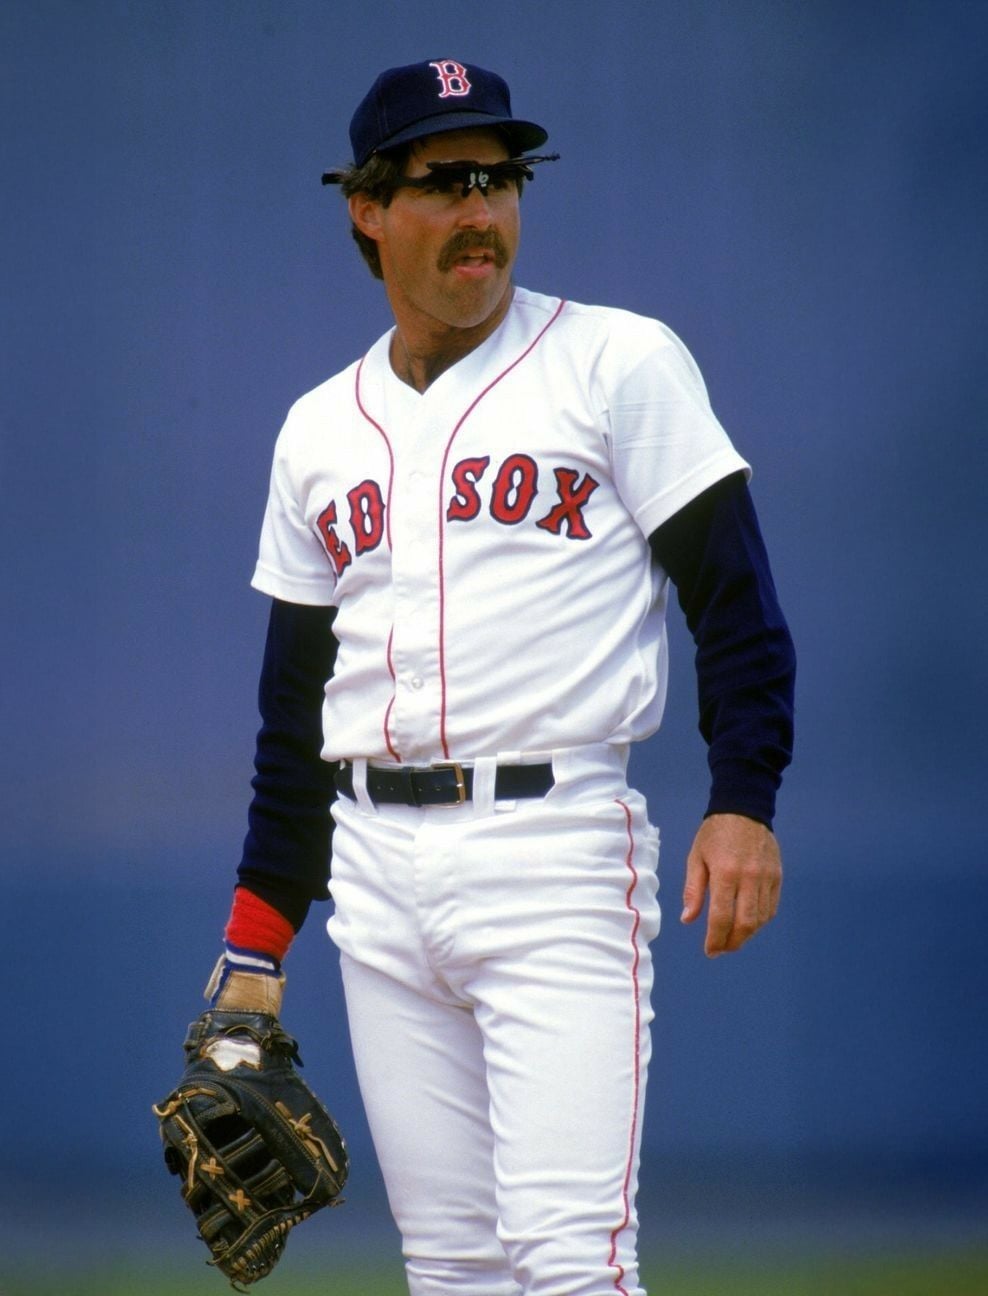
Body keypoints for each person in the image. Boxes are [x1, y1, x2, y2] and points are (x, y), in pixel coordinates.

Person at [208, 58, 796, 1296]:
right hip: (374, 876)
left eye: (503, 178)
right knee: (454, 1274)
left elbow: (735, 604)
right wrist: (255, 942)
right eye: (446, 182)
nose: (483, 210)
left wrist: (744, 797)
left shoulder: (617, 364)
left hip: (554, 853)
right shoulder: (320, 429)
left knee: (571, 1265)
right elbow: (293, 712)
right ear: (368, 208)